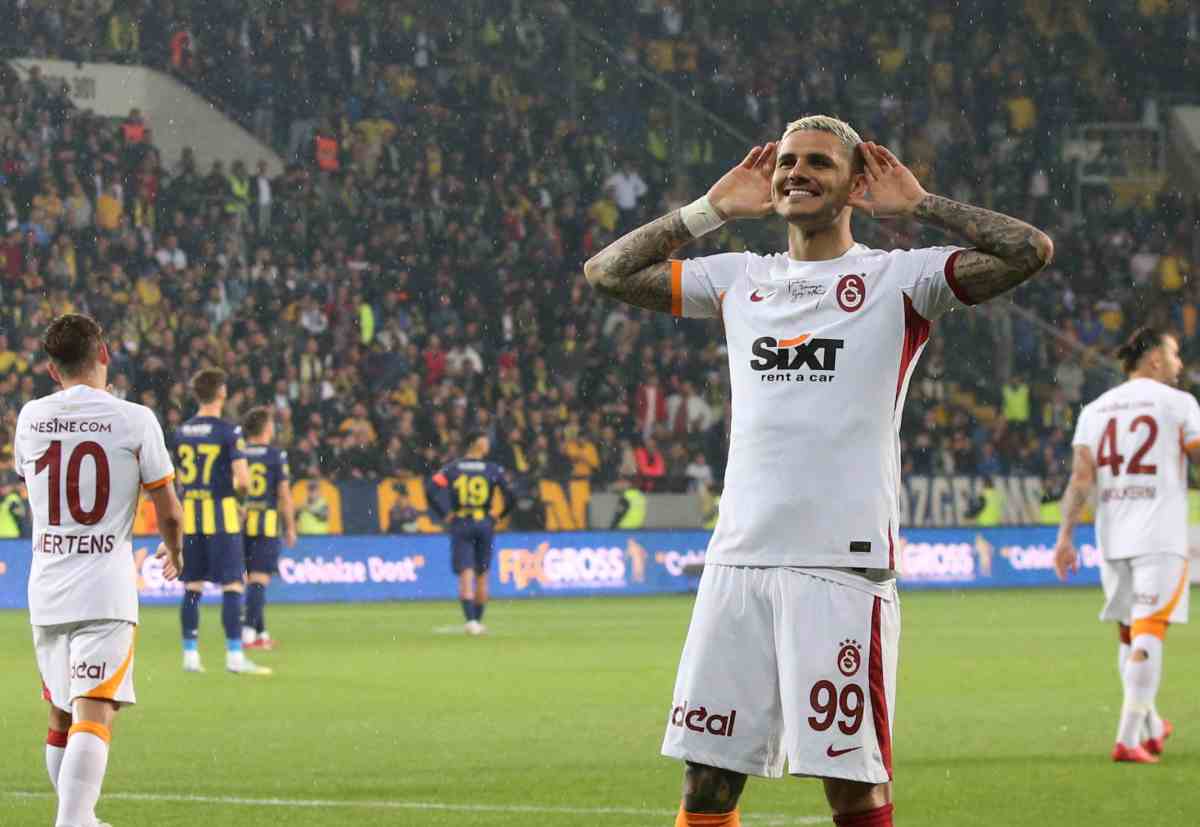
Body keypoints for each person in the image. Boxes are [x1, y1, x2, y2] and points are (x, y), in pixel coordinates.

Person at [584, 115, 1053, 826]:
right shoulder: (741, 278)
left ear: (856, 184)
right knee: (706, 780)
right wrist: (709, 210)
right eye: (787, 162)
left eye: (819, 163)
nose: (796, 173)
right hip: (738, 559)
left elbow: (1029, 250)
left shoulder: (900, 279)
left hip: (841, 565)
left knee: (849, 782)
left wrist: (921, 204)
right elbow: (606, 272)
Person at [13, 313, 184, 827]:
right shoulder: (135, 420)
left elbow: (34, 481)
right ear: (104, 354)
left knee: (61, 711)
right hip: (103, 590)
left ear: (52, 369)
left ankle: (79, 817)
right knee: (95, 707)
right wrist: (175, 550)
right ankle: (73, 820)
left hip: (47, 590)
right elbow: (169, 510)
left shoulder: (30, 417)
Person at [1054, 327, 1200, 763]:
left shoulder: (1096, 409)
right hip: (1160, 537)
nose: (1178, 363)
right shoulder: (1179, 403)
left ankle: (1151, 723)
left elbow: (1081, 479)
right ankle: (1128, 738)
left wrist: (1065, 536)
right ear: (1154, 358)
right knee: (1149, 630)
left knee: (1129, 635)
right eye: (1173, 353)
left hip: (1113, 537)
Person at [175, 368, 269, 675]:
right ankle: (234, 656)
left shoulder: (182, 431)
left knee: (192, 586)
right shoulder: (229, 432)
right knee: (232, 584)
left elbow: (179, 481)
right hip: (222, 516)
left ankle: (190, 655)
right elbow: (243, 481)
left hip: (191, 516)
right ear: (222, 392)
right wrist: (239, 502)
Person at [429, 431, 514, 635]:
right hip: (484, 523)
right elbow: (511, 496)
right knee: (482, 574)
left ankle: (471, 621)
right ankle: (477, 620)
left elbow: (431, 489)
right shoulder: (493, 469)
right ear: (477, 444)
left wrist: (444, 514)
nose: (488, 445)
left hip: (462, 522)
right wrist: (498, 516)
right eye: (485, 441)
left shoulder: (453, 468)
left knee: (466, 572)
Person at [240, 406, 297, 651]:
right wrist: (290, 527)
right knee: (259, 581)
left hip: (240, 525)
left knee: (253, 581)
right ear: (266, 428)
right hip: (266, 526)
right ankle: (247, 634)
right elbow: (284, 494)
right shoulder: (275, 455)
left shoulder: (239, 452)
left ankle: (260, 633)